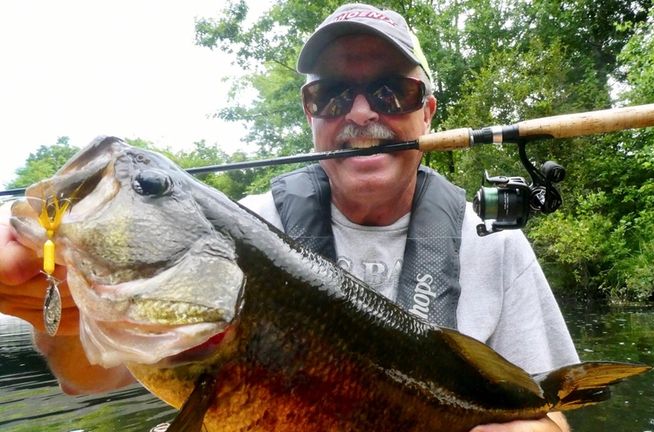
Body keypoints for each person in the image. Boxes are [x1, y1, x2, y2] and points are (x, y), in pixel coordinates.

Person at [0, 3, 579, 431]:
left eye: (388, 93)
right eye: (330, 95)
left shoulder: (492, 245)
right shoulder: (248, 228)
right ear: (309, 114)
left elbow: (551, 415)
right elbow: (88, 378)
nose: (358, 114)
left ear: (426, 112)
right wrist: (59, 313)